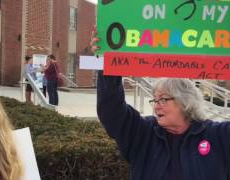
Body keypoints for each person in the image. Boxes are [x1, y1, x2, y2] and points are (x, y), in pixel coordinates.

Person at [91, 28, 230, 179]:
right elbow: (111, 109)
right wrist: (107, 62)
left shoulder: (216, 135)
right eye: (155, 99)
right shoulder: (143, 133)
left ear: (185, 102)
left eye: (163, 99)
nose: (157, 105)